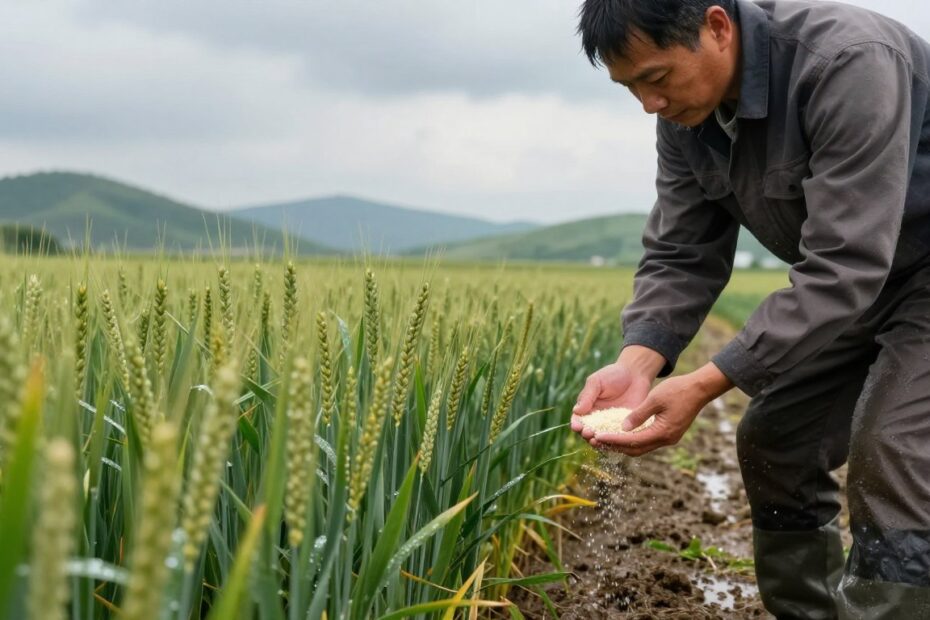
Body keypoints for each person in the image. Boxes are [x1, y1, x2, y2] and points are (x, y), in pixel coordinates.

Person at [570, 0, 930, 617]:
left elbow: (846, 263)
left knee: (892, 448)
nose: (649, 105)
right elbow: (682, 252)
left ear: (716, 26)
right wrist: (638, 363)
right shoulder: (687, 118)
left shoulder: (847, 63)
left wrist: (707, 383)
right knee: (777, 437)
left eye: (656, 78)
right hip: (866, 283)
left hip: (903, 272)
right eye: (629, 88)